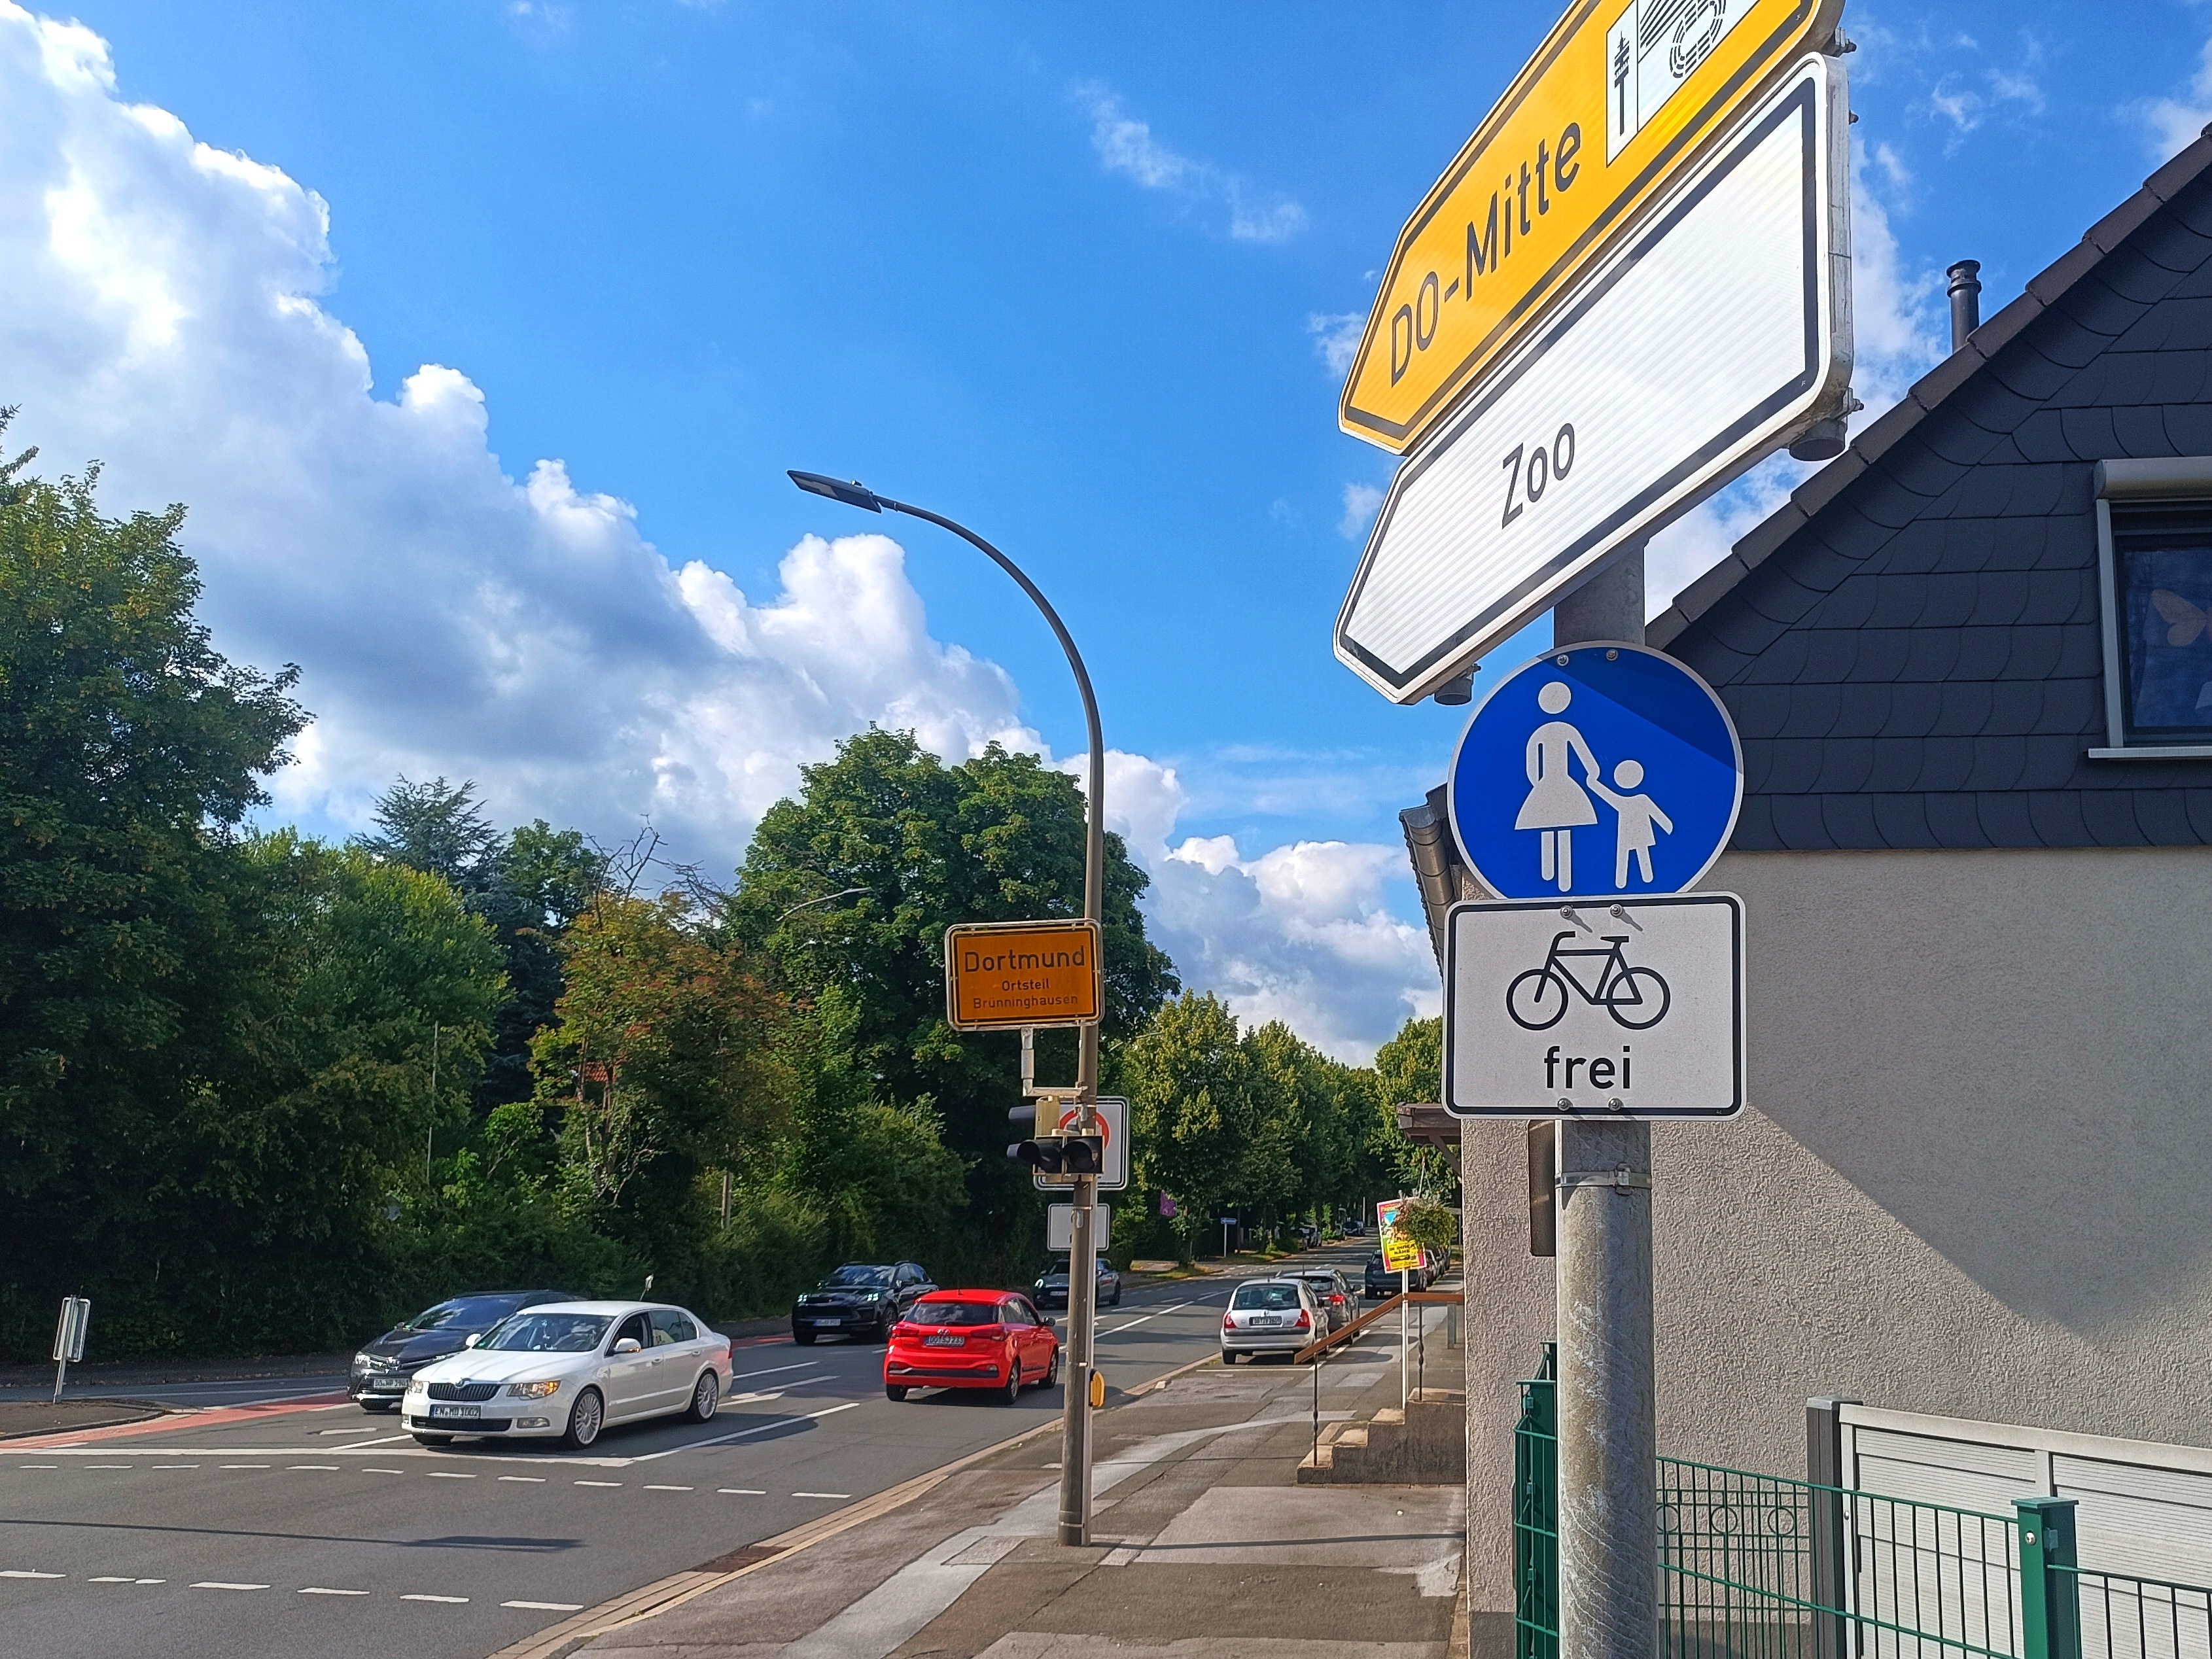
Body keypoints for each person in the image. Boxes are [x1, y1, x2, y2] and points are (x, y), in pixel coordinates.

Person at [1515, 680, 1602, 891]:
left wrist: (1539, 784)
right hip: (1562, 783)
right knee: (1563, 825)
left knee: (1548, 824)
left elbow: (1531, 766)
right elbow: (1585, 756)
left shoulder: (1541, 733)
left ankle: (1551, 875)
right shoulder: (1566, 730)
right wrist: (1593, 773)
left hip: (1548, 783)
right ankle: (1558, 878)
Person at [1588, 758, 1673, 888]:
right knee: (1630, 854)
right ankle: (1623, 883)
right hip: (1630, 833)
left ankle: (1638, 881)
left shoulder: (1636, 800)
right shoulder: (1635, 800)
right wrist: (1593, 784)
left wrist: (1667, 826)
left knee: (1636, 854)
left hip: (1635, 833)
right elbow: (1607, 795)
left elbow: (1656, 813)